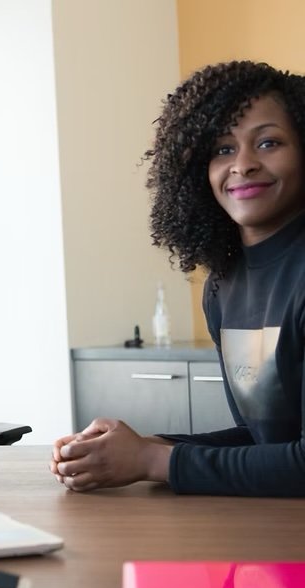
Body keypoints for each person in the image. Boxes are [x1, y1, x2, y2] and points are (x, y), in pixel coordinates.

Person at [50, 60, 305, 496]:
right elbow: (266, 442)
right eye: (222, 149)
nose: (242, 164)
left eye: (268, 142)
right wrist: (138, 449)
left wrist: (154, 460)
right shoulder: (224, 284)